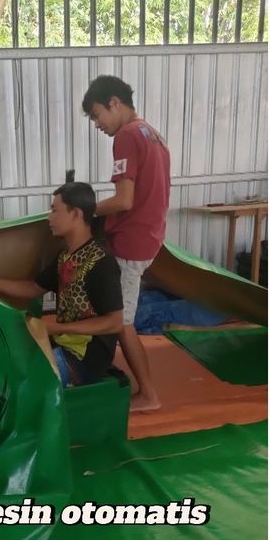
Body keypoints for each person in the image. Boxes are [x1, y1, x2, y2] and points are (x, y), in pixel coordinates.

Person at [0, 183, 123, 387]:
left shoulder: (101, 261)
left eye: (55, 210)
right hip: (61, 343)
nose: (49, 218)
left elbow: (115, 322)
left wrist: (58, 327)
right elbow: (32, 289)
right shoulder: (65, 256)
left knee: (19, 382)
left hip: (86, 358)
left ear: (76, 214)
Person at [81, 75, 171, 411]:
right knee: (116, 314)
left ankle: (149, 394)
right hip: (149, 236)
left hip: (131, 242)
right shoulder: (151, 133)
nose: (97, 124)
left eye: (97, 115)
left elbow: (123, 200)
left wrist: (84, 211)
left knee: (121, 321)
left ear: (114, 103)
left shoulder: (126, 136)